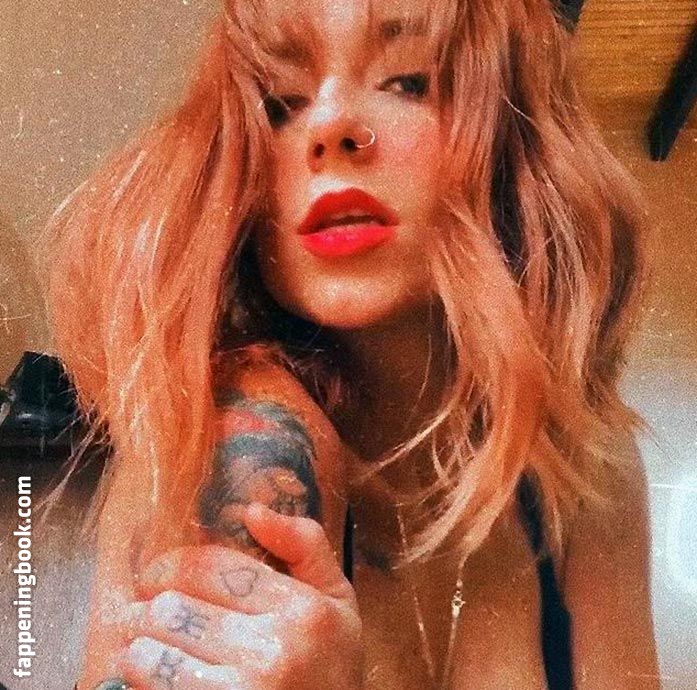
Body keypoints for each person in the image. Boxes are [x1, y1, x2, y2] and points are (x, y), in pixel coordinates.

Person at [35, 0, 660, 687]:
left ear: (522, 148)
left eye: (410, 82)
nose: (329, 125)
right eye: (281, 103)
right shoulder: (231, 439)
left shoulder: (589, 467)